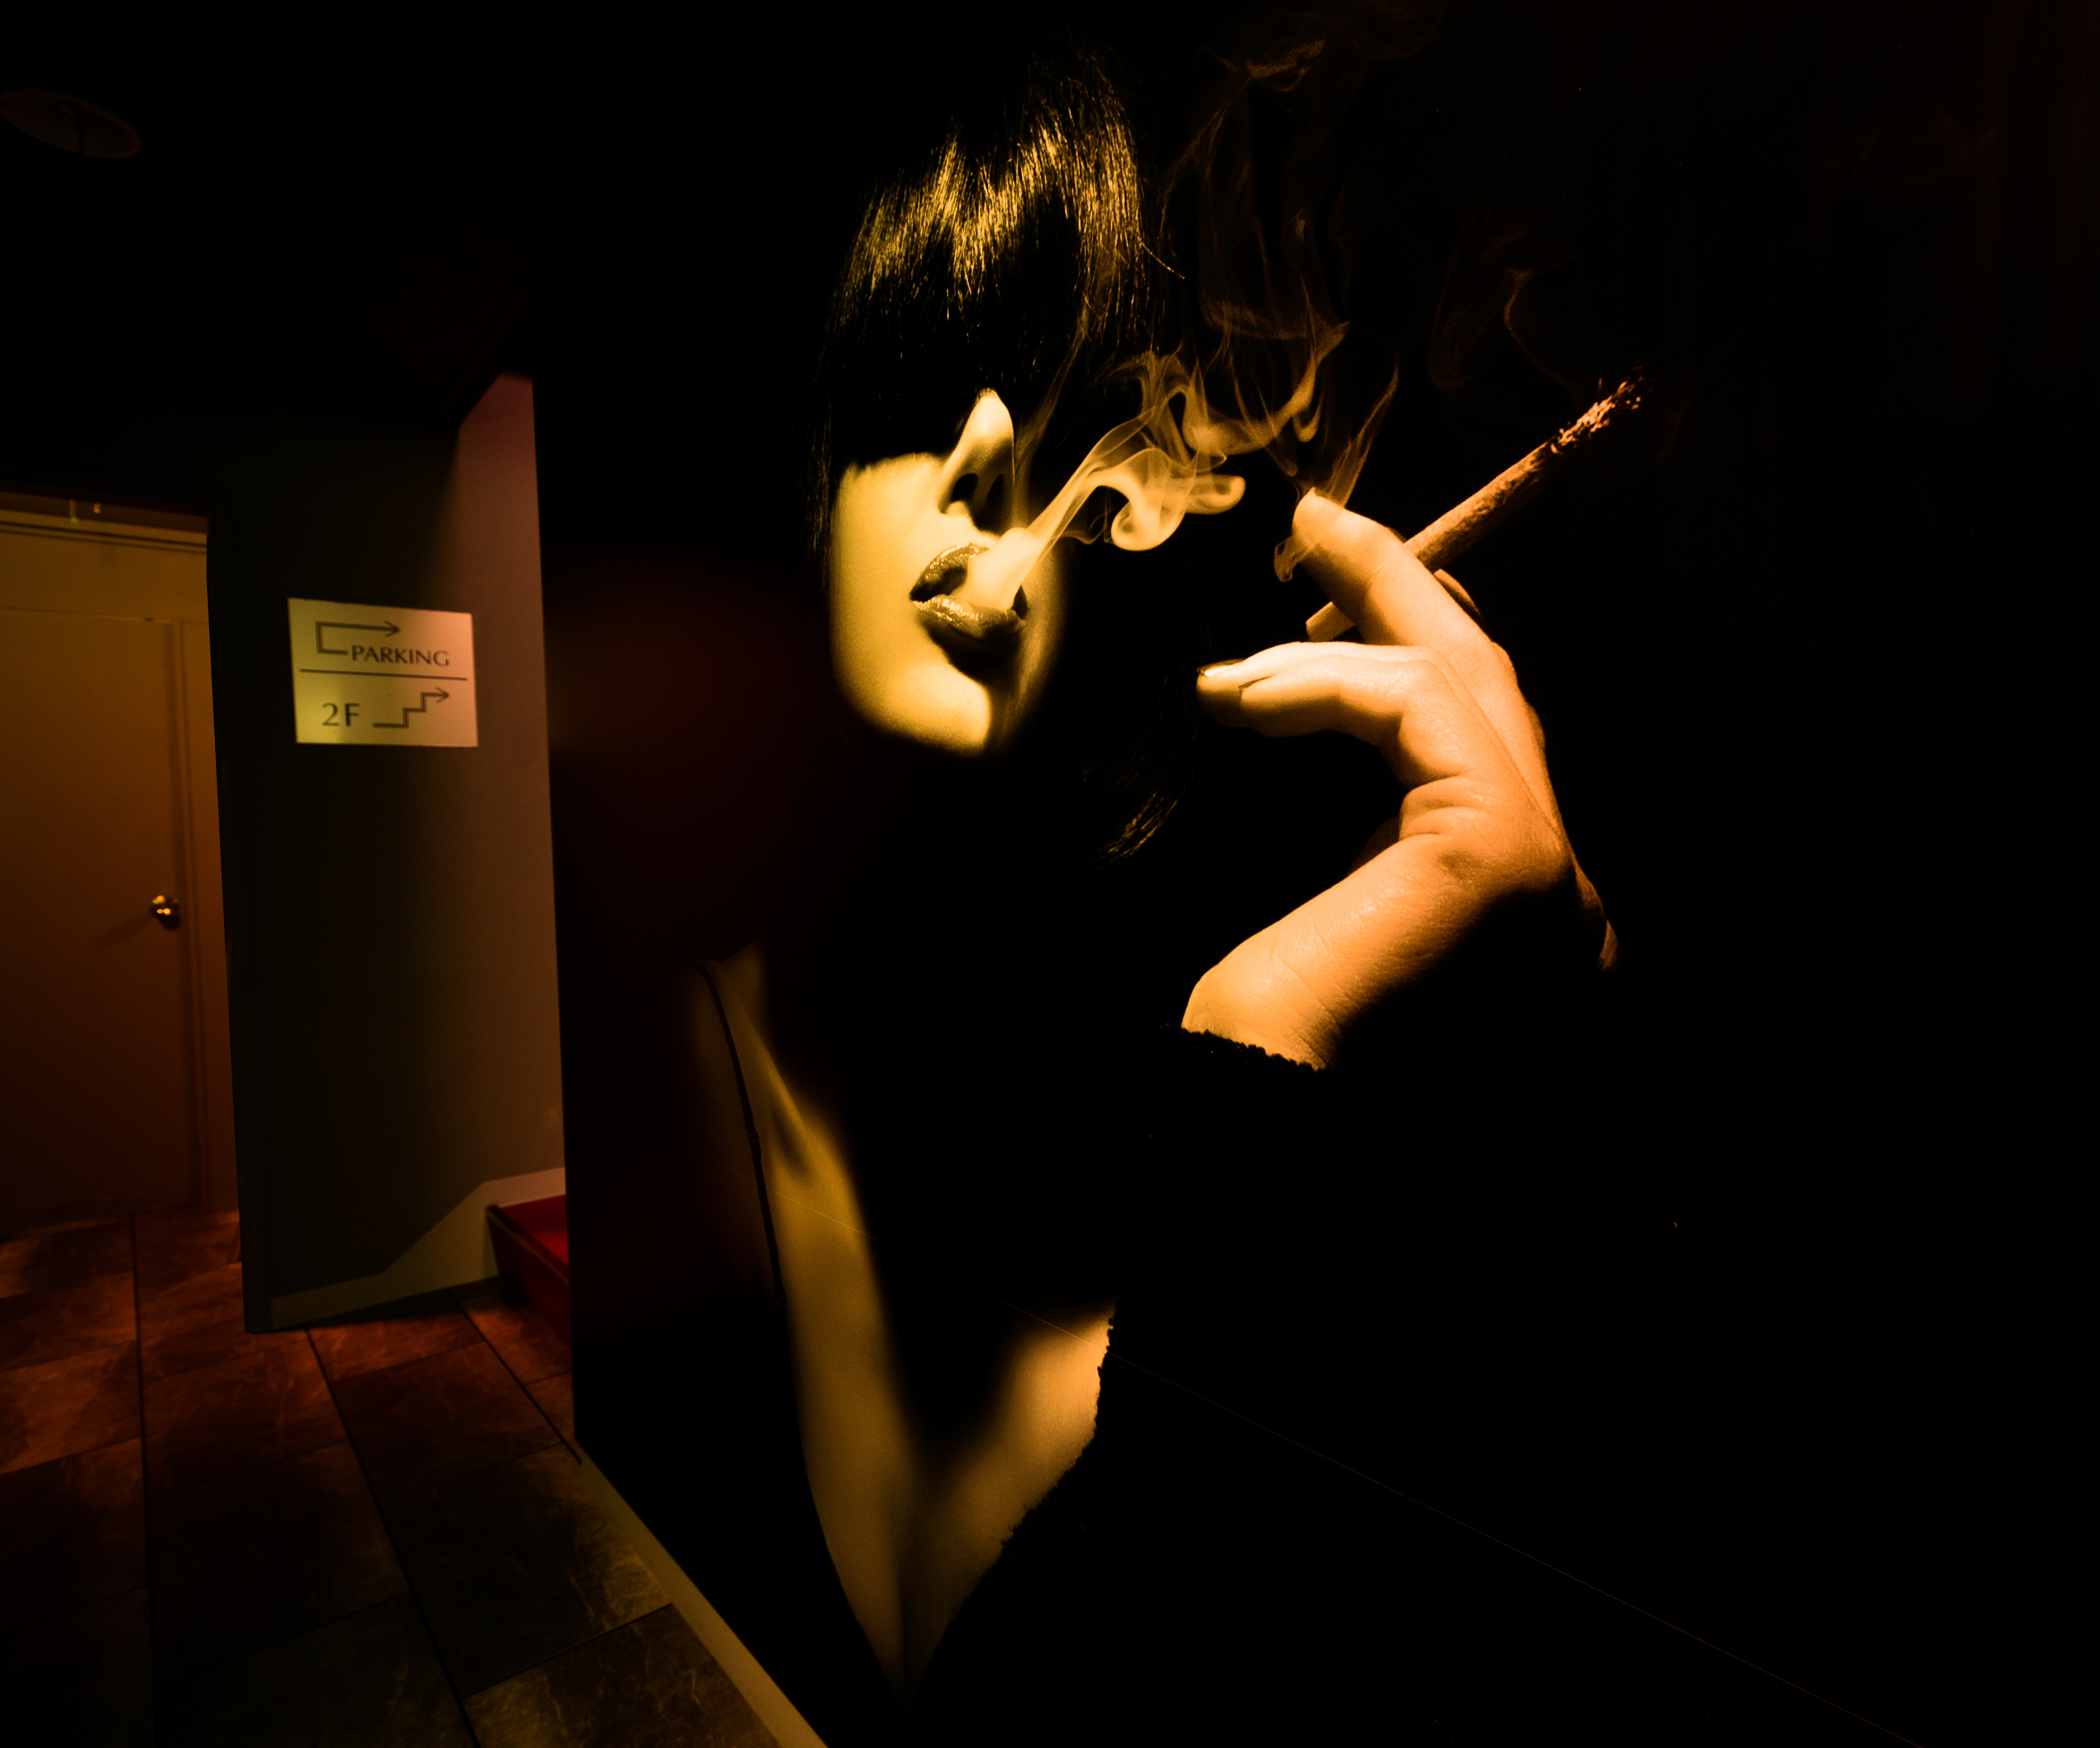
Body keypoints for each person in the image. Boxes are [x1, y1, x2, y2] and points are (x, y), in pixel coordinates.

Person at [672, 28, 1625, 1743]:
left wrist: (1284, 1065)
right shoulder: (705, 1024)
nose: (996, 452)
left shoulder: (1097, 1073)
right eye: (931, 374)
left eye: (1071, 404)